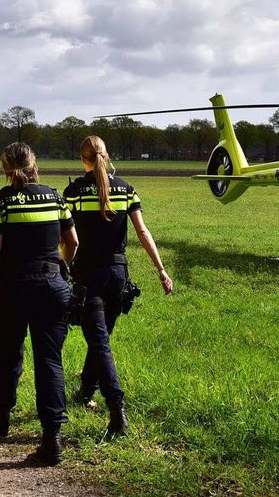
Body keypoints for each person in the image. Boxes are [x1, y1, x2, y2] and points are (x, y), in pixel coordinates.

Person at [63, 136, 173, 439]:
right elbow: (142, 231)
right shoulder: (126, 188)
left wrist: (66, 266)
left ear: (82, 158)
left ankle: (116, 410)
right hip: (118, 275)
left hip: (89, 275)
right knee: (100, 337)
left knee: (99, 341)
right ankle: (86, 390)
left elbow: (68, 241)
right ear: (106, 156)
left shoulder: (72, 192)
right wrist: (161, 270)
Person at [0, 142, 78, 465]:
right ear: (35, 164)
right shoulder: (54, 196)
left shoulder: (2, 200)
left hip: (14, 288)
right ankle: (52, 439)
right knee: (49, 360)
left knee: (9, 353)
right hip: (53, 286)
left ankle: (1, 413)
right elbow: (72, 242)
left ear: (6, 168)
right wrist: (60, 269)